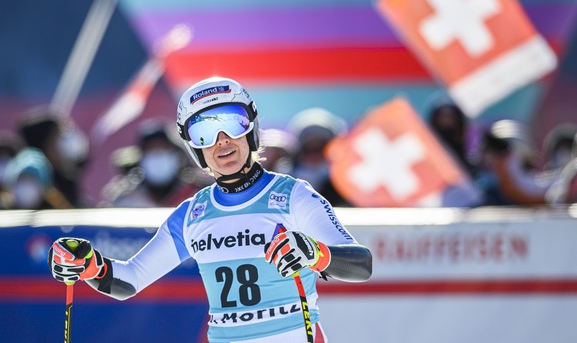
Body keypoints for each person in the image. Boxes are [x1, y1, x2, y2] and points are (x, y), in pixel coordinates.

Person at [49, 77, 372, 342]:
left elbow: (361, 264)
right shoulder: (192, 214)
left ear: (251, 129)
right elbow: (130, 280)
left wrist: (317, 253)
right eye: (203, 132)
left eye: (233, 123)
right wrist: (89, 265)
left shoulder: (293, 196)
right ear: (194, 149)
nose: (221, 141)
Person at [99, 119, 212, 207]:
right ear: (140, 158)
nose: (158, 157)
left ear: (177, 155)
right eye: (151, 152)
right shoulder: (124, 198)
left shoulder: (200, 193)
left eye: (163, 150)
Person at [17, 108, 90, 207]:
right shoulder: (35, 183)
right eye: (58, 135)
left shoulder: (67, 179)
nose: (64, 140)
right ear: (44, 144)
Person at [287, 108, 350, 207]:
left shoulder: (348, 183)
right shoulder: (286, 180)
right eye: (309, 148)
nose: (314, 155)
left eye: (320, 147)